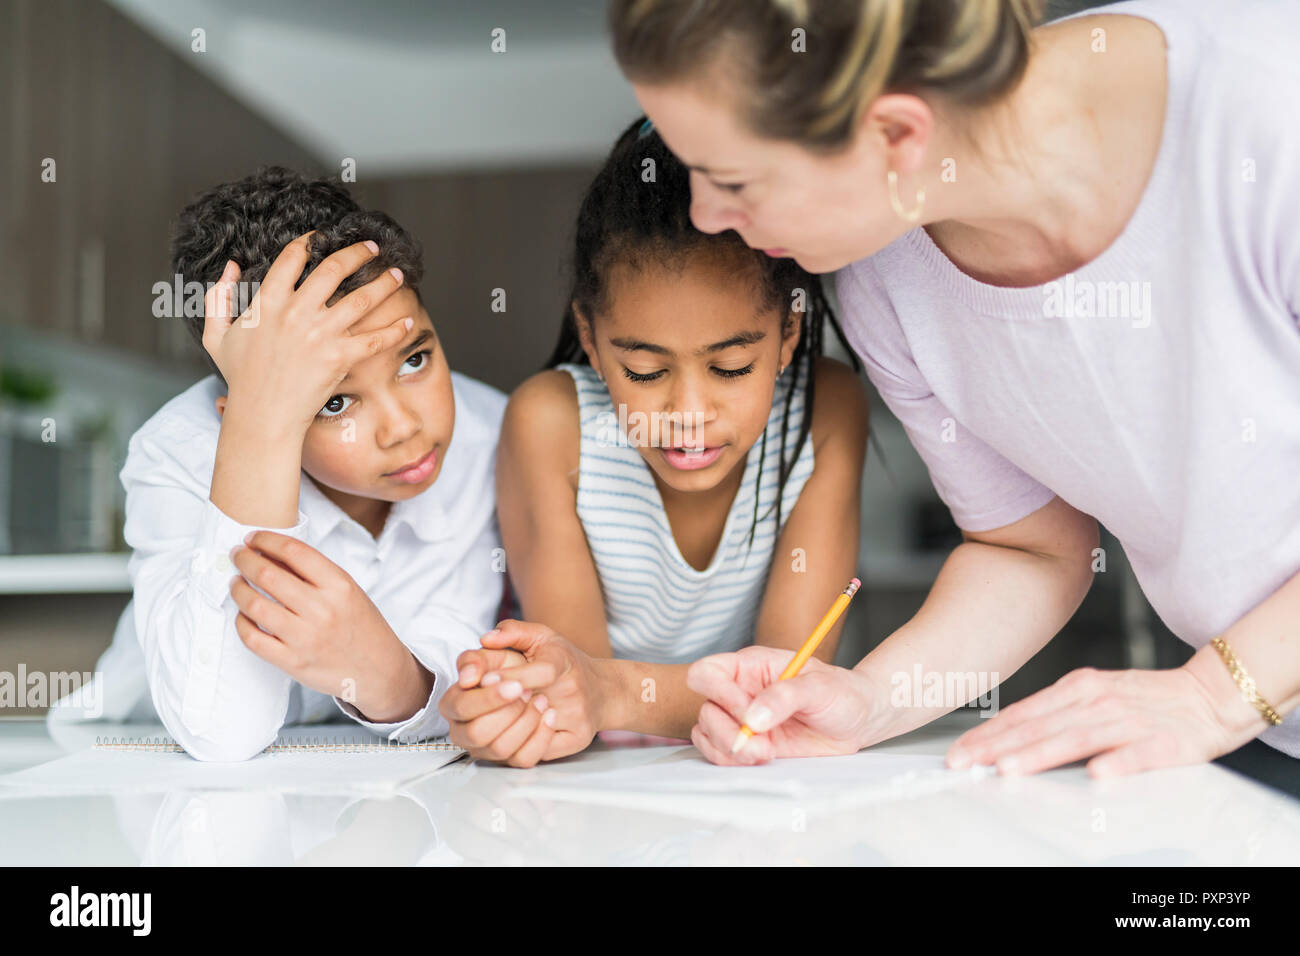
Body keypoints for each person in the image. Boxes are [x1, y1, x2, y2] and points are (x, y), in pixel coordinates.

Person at [607, 0, 1300, 774]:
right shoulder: (883, 271)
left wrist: (1210, 697)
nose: (704, 215)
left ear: (900, 135)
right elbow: (1030, 549)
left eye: (731, 178)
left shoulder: (1270, 110)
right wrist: (867, 702)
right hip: (1261, 725)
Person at [437, 118, 869, 767]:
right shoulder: (552, 425)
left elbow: (789, 690)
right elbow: (571, 691)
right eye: (645, 371)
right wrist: (590, 694)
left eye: (730, 369)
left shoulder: (824, 409)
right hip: (599, 782)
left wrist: (606, 693)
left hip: (750, 782)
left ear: (787, 335)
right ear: (588, 332)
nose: (688, 414)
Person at [49, 168, 511, 760]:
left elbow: (463, 661)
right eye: (334, 402)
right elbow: (222, 731)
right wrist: (260, 427)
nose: (404, 427)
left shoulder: (485, 434)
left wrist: (387, 674)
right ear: (234, 412)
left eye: (415, 359)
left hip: (358, 775)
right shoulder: (179, 453)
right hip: (150, 766)